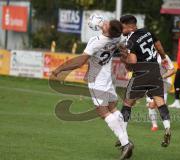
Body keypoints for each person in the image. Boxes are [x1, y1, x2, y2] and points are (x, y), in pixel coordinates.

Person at [52, 19, 133, 160]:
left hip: (96, 80)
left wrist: (60, 68)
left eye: (106, 24)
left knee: (103, 112)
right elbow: (122, 41)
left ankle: (126, 143)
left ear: (108, 30)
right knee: (113, 108)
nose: (104, 22)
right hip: (107, 77)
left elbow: (80, 61)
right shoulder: (117, 37)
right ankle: (124, 138)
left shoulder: (96, 41)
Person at [118, 15, 171, 148]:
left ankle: (122, 135)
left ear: (129, 26)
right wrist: (163, 57)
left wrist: (125, 60)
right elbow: (158, 45)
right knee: (160, 101)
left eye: (122, 27)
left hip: (141, 73)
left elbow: (133, 62)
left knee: (127, 103)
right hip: (155, 70)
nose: (121, 30)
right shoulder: (147, 31)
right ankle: (167, 127)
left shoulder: (130, 41)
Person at [147, 54, 175, 132]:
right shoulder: (146, 54)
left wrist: (162, 77)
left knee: (157, 105)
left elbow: (172, 70)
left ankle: (167, 127)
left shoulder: (164, 57)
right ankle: (155, 125)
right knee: (151, 105)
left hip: (163, 85)